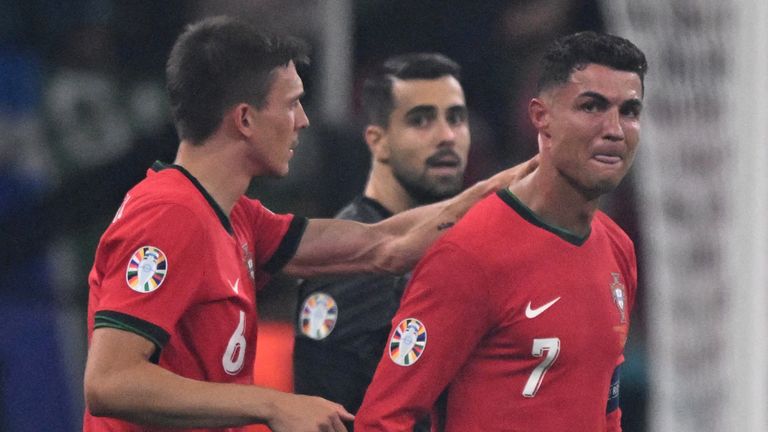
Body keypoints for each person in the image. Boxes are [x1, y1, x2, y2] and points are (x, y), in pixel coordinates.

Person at [82, 16, 536, 432]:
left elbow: (382, 245)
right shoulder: (170, 216)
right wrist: (273, 405)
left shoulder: (232, 214)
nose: (304, 121)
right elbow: (110, 382)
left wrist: (517, 183)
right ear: (244, 119)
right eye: (293, 104)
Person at [355, 30, 647, 432]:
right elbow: (382, 421)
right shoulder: (469, 255)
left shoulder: (618, 248)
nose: (614, 129)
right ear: (540, 116)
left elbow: (606, 411)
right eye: (592, 106)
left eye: (629, 110)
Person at [293, 52, 469, 431]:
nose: (447, 136)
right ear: (378, 141)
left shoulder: (468, 246)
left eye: (455, 118)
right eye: (421, 120)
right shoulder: (348, 266)